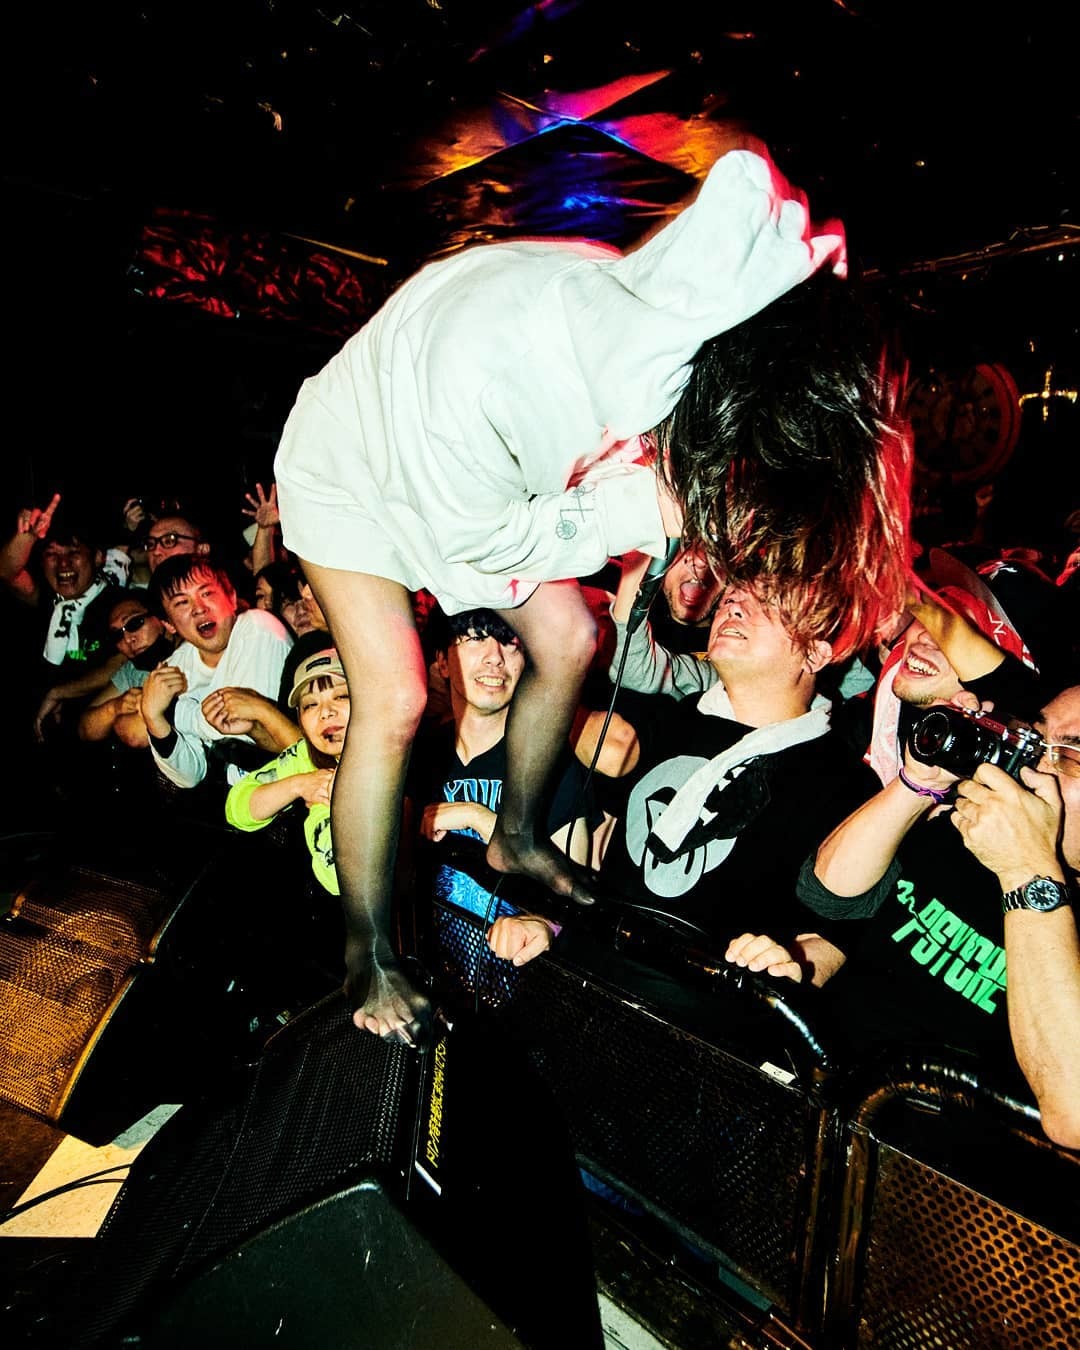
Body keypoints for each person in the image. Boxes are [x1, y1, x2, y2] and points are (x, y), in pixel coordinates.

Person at [274, 142, 912, 1043]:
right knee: (396, 697)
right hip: (350, 465)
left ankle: (518, 835)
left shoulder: (663, 335)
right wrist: (654, 510)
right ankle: (368, 955)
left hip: (459, 446)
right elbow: (481, 547)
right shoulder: (514, 386)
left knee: (571, 639)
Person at [724, 683, 1080, 1149]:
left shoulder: (1016, 855)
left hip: (919, 1170)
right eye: (1034, 738)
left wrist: (1026, 869)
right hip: (813, 1099)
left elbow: (1072, 1115)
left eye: (1068, 755)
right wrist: (918, 784)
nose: (1033, 764)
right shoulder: (969, 830)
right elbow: (830, 903)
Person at [489, 575, 880, 970]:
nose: (733, 606)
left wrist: (787, 968)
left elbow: (834, 938)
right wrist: (549, 926)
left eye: (767, 603)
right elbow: (607, 877)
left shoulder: (845, 784)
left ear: (814, 654)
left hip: (697, 1006)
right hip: (591, 981)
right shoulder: (672, 719)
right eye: (731, 596)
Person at [138, 555, 295, 793]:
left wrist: (173, 712)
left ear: (231, 597)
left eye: (207, 593)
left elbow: (243, 729)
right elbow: (190, 775)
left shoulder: (259, 626)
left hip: (290, 787)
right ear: (169, 624)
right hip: (237, 798)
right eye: (182, 603)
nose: (199, 608)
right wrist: (154, 721)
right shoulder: (175, 667)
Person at [225, 648, 345, 894]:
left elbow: (343, 879)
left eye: (341, 696)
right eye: (310, 704)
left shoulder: (395, 753)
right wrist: (299, 784)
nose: (326, 712)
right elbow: (237, 808)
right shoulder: (305, 756)